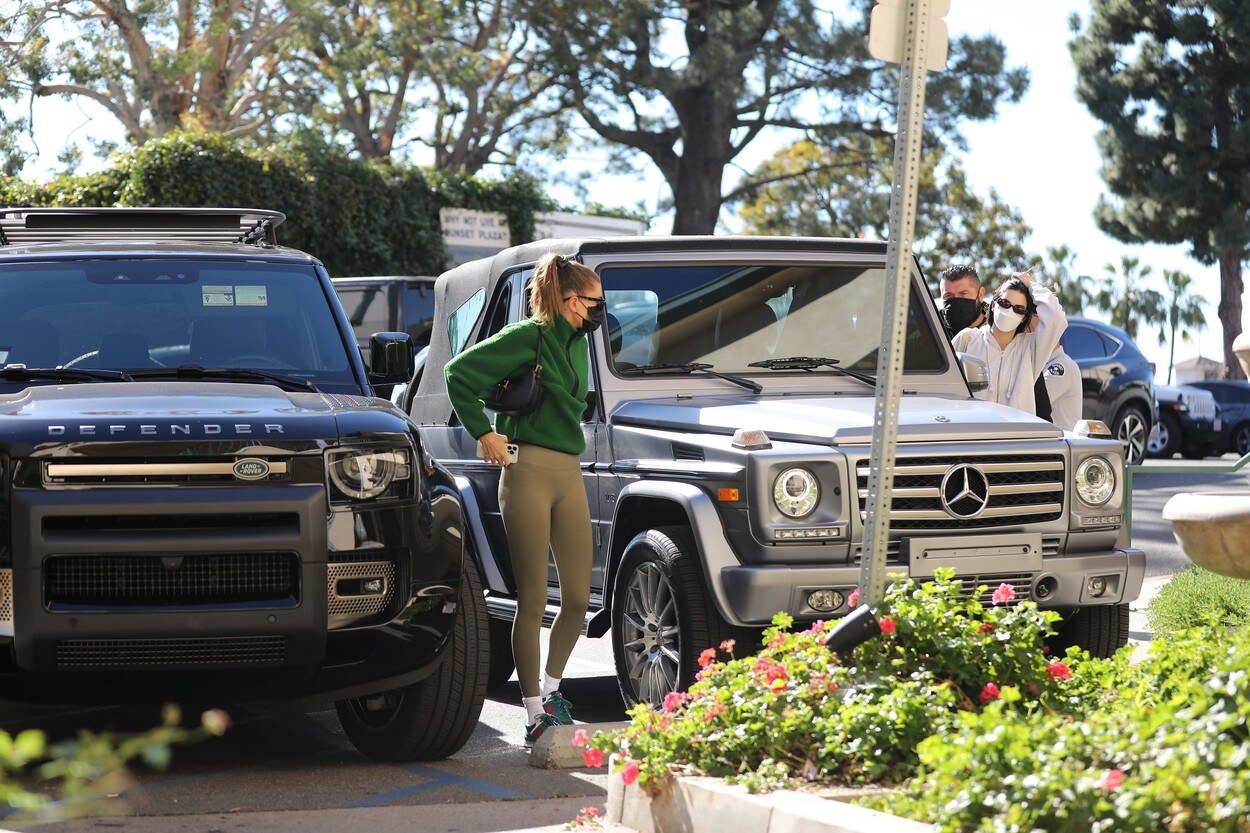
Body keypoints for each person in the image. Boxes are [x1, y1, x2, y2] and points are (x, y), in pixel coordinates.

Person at [443, 252, 604, 746]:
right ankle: (533, 712)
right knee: (532, 599)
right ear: (571, 300)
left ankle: (553, 692)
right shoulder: (526, 337)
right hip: (526, 472)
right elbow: (457, 374)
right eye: (595, 301)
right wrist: (484, 433)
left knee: (577, 599)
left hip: (568, 472)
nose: (600, 311)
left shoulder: (579, 343)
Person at [939, 264, 1052, 421]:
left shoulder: (1027, 349)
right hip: (969, 430)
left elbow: (1055, 318)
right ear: (994, 304)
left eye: (963, 294)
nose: (1009, 311)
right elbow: (939, 388)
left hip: (1016, 433)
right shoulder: (956, 335)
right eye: (948, 296)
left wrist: (1031, 285)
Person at [1043, 343, 1083, 430]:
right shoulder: (1047, 363)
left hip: (1060, 437)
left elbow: (1028, 402)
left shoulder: (1061, 365)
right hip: (1054, 436)